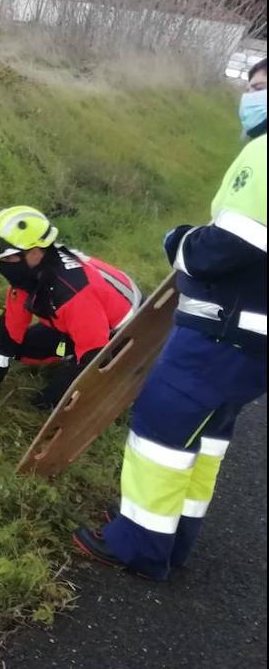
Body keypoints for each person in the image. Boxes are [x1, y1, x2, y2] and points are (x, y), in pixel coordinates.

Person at [72, 61, 267, 581]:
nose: (253, 97)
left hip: (223, 332)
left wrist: (179, 241)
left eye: (263, 88)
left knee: (161, 431)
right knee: (205, 440)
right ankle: (174, 538)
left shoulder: (265, 151)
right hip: (252, 341)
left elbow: (226, 248)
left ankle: (138, 545)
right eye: (252, 87)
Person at [0, 206, 141, 410]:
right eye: (0, 260)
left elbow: (95, 355)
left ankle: (105, 370)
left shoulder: (73, 292)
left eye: (8, 259)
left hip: (124, 335)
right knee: (20, 348)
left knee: (49, 403)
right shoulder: (29, 275)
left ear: (35, 252)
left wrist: (69, 388)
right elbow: (11, 329)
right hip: (78, 325)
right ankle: (70, 351)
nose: (3, 266)